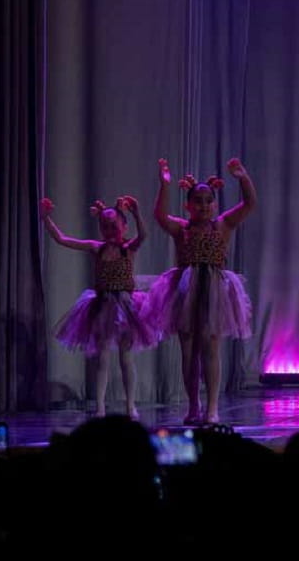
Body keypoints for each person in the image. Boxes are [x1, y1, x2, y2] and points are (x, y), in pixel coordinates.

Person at [145, 159, 256, 424]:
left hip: (215, 288)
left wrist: (243, 177)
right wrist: (164, 186)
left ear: (215, 204)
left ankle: (213, 407)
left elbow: (250, 204)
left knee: (211, 345)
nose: (203, 206)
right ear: (188, 205)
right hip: (185, 289)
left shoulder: (223, 225)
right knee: (188, 348)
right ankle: (194, 405)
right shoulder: (182, 228)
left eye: (208, 201)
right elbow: (160, 216)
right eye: (197, 201)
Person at [42, 196, 161, 417]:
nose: (109, 230)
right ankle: (100, 406)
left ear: (124, 226)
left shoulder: (129, 248)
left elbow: (144, 235)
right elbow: (62, 239)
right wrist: (46, 219)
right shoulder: (96, 248)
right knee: (103, 357)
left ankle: (130, 405)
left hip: (126, 306)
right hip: (102, 305)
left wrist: (136, 213)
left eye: (113, 225)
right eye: (104, 226)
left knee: (126, 357)